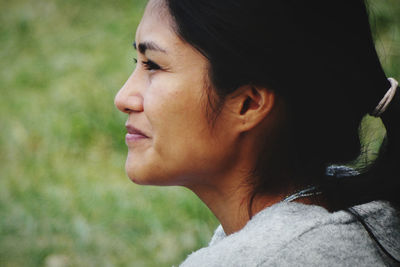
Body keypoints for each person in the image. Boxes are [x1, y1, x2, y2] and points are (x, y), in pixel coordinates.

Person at [114, 0, 400, 266]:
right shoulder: (361, 216)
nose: (123, 98)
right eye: (136, 63)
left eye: (153, 64)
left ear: (249, 104)